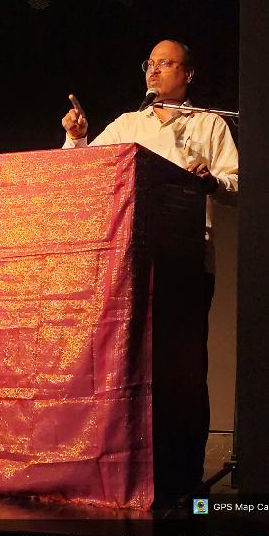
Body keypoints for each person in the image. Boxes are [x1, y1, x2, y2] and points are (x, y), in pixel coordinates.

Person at [60, 39, 239, 473]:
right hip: (131, 261)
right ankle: (131, 462)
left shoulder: (209, 125)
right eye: (150, 64)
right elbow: (84, 170)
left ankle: (183, 467)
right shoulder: (128, 124)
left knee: (183, 367)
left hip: (187, 262)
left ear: (187, 74)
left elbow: (236, 184)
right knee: (132, 362)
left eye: (165, 63)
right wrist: (77, 138)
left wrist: (210, 180)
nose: (154, 71)